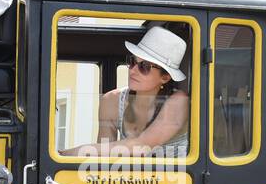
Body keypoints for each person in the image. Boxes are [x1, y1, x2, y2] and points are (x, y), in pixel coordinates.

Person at [64, 25, 190, 159]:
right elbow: (104, 157)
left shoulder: (179, 101)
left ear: (165, 77)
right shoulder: (111, 100)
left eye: (145, 67)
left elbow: (142, 147)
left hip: (175, 179)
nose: (133, 70)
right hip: (131, 180)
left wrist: (75, 152)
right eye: (132, 61)